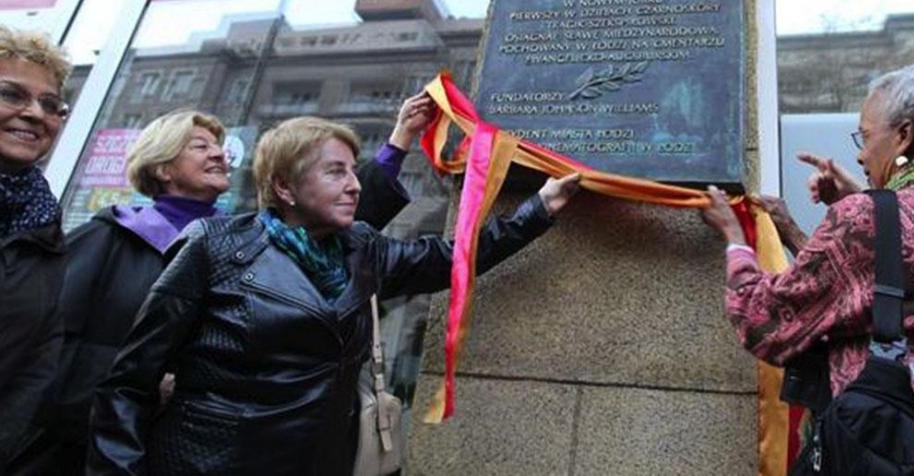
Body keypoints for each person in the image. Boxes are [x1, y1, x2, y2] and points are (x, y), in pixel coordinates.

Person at [87, 114, 580, 475]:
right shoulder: (213, 246)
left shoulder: (361, 247)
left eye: (352, 171)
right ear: (284, 186)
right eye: (335, 173)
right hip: (208, 461)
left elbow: (451, 260)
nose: (354, 187)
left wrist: (537, 209)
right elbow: (130, 383)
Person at [24, 92, 434, 474]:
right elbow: (55, 340)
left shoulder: (238, 239)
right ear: (162, 166)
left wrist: (398, 141)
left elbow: (340, 221)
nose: (220, 154)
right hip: (93, 439)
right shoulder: (110, 235)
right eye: (200, 146)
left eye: (219, 145)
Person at [701, 63, 914, 475]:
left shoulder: (867, 217)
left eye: (865, 136)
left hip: (901, 454)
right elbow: (881, 293)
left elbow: (766, 320)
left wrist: (735, 240)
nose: (861, 154)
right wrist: (845, 213)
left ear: (904, 134)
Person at [0, 26, 72, 470]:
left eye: (51, 105)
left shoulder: (43, 221)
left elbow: (36, 362)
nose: (35, 114)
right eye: (12, 95)